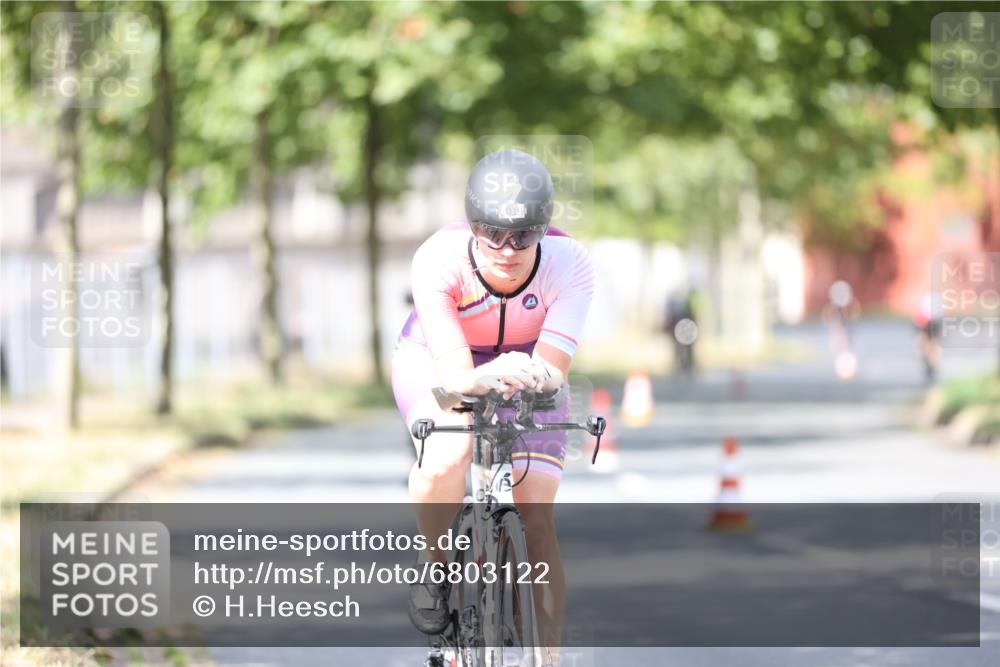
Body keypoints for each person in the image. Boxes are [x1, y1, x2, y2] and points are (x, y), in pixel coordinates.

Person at [391, 148, 595, 665]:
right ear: (472, 227)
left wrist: (525, 374)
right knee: (446, 458)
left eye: (523, 235)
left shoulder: (570, 263)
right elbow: (456, 376)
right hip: (440, 357)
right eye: (492, 234)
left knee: (537, 514)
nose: (507, 249)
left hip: (529, 365)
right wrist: (476, 379)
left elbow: (552, 369)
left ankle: (547, 655)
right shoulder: (438, 258)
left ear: (543, 229)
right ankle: (436, 568)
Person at [912, 291, 942, 383]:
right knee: (931, 343)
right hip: (927, 320)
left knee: (929, 343)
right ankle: (931, 362)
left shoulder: (928, 300)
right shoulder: (933, 301)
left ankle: (930, 362)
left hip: (929, 321)